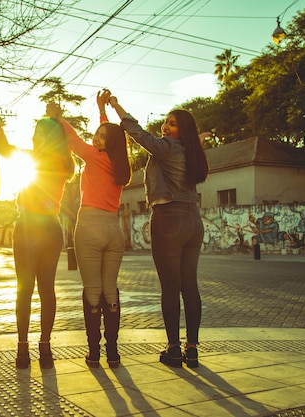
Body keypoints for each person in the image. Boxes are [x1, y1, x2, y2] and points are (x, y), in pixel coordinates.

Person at [105, 91, 209, 368]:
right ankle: (193, 349)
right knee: (190, 287)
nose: (165, 126)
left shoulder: (167, 148)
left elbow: (139, 134)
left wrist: (116, 106)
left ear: (182, 130)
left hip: (168, 218)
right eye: (166, 121)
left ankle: (174, 349)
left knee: (170, 288)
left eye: (173, 123)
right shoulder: (192, 152)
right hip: (193, 221)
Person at [0, 109, 75, 369]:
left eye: (38, 132)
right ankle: (45, 349)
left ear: (46, 136)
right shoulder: (64, 162)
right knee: (46, 290)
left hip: (28, 227)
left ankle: (23, 349)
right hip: (51, 228)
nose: (34, 136)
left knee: (25, 289)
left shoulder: (35, 157)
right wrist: (58, 121)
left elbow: (4, 149)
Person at [55, 94, 131, 368]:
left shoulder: (94, 156)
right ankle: (113, 352)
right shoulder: (119, 163)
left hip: (89, 226)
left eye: (100, 137)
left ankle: (93, 352)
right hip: (114, 229)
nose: (96, 139)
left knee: (92, 288)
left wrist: (57, 116)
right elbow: (109, 136)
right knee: (110, 289)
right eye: (96, 136)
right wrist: (101, 111)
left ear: (107, 143)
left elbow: (73, 140)